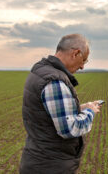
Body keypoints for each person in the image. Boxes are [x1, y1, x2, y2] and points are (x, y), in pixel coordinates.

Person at [19, 34, 101, 174]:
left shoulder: (41, 71)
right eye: (84, 60)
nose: (82, 67)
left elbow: (47, 113)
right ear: (75, 53)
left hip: (38, 160)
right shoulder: (54, 81)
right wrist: (90, 112)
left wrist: (81, 108)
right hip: (51, 165)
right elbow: (69, 129)